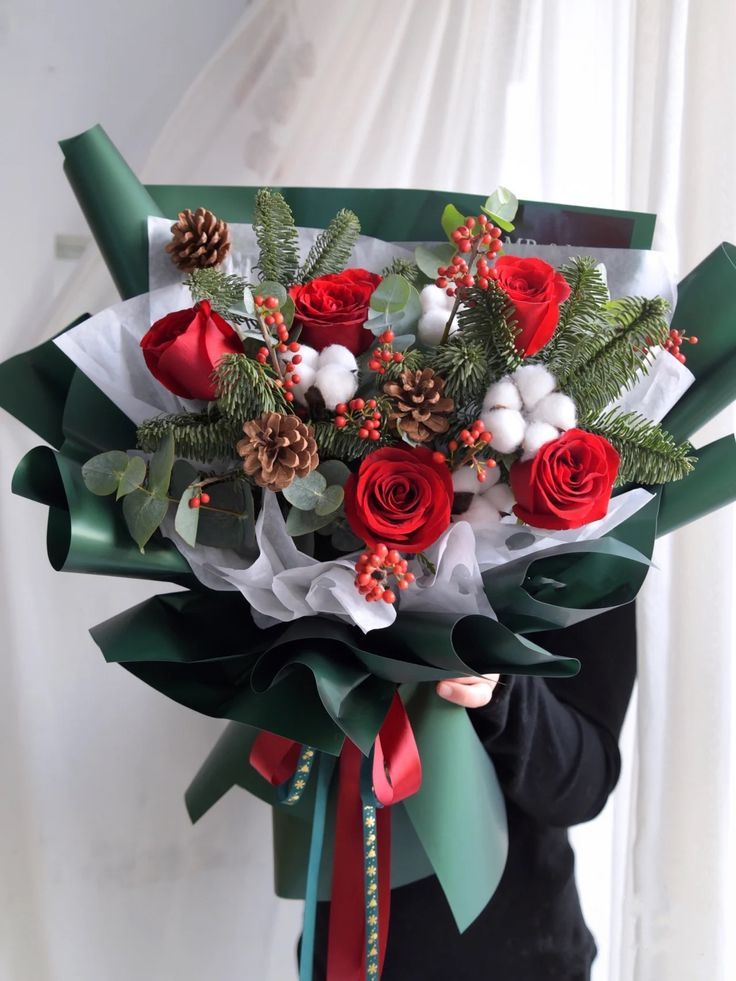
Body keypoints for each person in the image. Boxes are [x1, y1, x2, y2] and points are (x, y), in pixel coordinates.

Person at [309, 602, 637, 980]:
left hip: (520, 954)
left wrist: (501, 681)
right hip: (347, 948)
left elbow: (584, 785)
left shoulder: (578, 549)